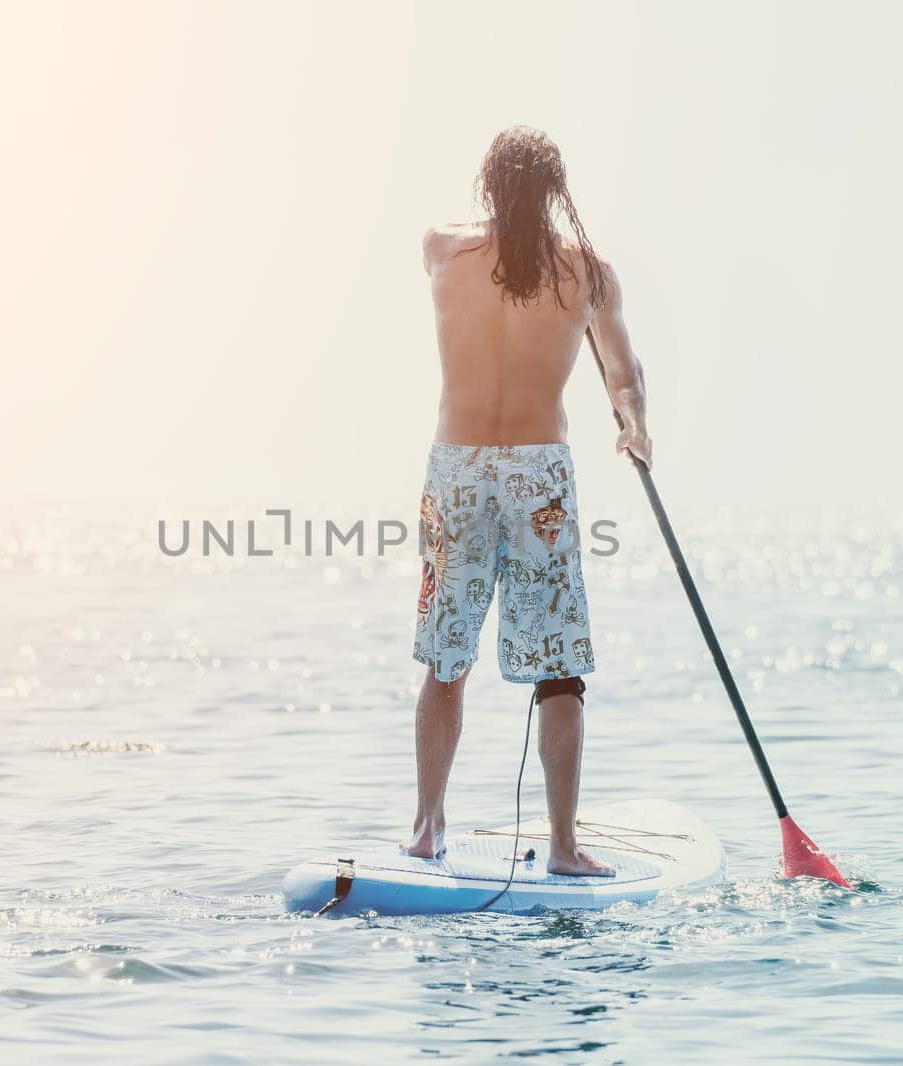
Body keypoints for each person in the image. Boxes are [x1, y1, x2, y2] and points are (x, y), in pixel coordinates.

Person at [401, 126, 651, 877]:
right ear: (554, 194)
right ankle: (566, 849)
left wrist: (632, 415)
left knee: (447, 660)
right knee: (560, 669)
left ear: (487, 186)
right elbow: (623, 369)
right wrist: (635, 426)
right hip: (538, 475)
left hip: (458, 472)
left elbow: (620, 372)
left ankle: (425, 828)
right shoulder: (588, 274)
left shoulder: (443, 250)